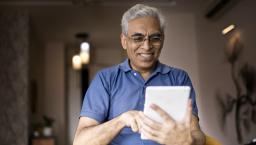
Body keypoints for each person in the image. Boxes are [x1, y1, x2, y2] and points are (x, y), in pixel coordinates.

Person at [73, 4, 205, 145]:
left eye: (155, 38)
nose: (147, 46)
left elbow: (197, 134)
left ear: (163, 40)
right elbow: (81, 142)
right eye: (137, 38)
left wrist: (188, 141)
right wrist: (122, 120)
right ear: (124, 41)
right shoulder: (105, 79)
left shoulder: (179, 78)